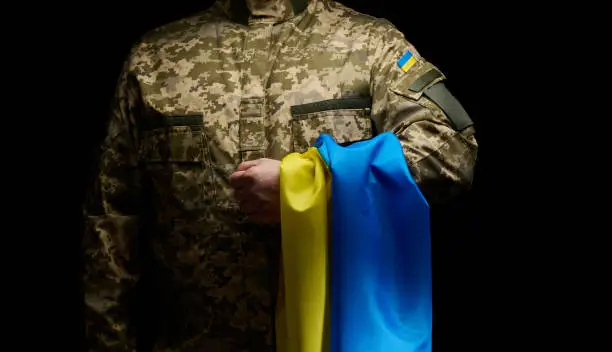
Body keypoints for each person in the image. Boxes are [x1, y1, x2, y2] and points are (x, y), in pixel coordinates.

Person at [82, 0, 478, 350]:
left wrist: (311, 185)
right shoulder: (154, 61)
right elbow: (109, 226)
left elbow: (451, 153)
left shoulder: (370, 46)